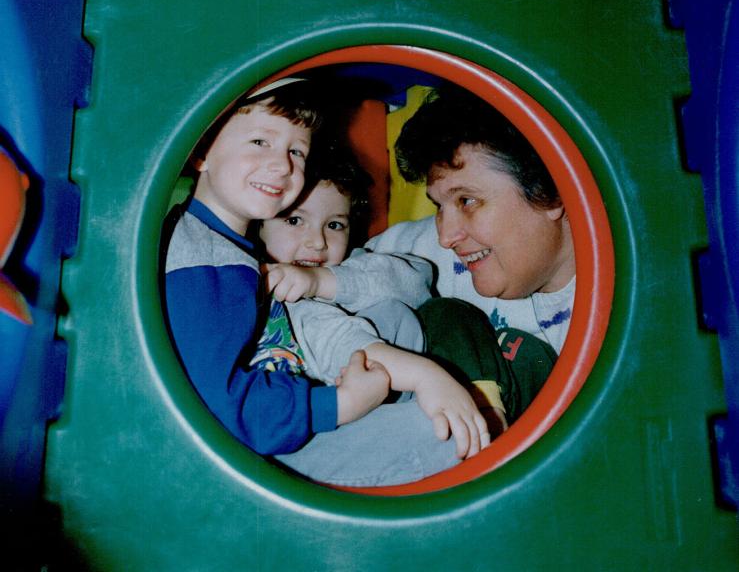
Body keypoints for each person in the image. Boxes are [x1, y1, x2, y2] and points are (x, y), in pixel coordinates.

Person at [164, 80, 489, 489]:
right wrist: (339, 405)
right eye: (261, 141)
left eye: (296, 151)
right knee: (446, 438)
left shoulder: (225, 247)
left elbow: (332, 329)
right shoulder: (202, 261)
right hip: (249, 462)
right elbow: (219, 410)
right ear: (201, 150)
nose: (282, 165)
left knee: (395, 321)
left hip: (286, 412)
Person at [262, 137, 557, 430]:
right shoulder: (260, 301)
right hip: (380, 412)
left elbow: (414, 282)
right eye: (294, 221)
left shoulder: (357, 266)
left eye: (335, 225)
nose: (317, 242)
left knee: (492, 335)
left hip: (441, 379)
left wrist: (322, 282)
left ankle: (487, 409)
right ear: (258, 227)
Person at [325, 85, 575, 357]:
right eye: (438, 206)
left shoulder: (620, 313)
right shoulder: (416, 254)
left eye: (467, 201)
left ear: (550, 192)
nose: (445, 237)